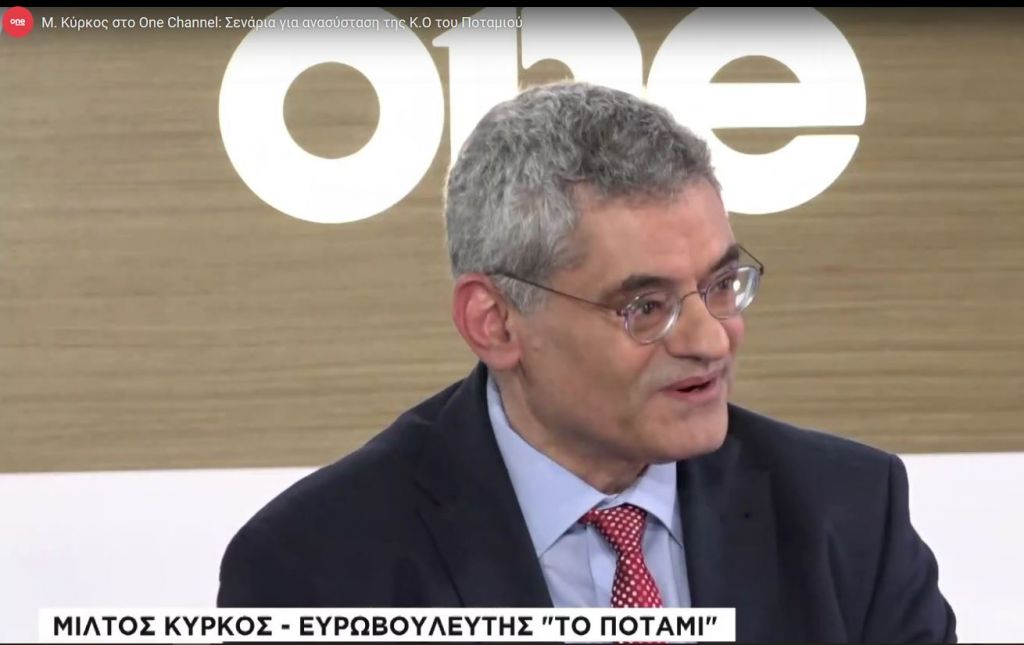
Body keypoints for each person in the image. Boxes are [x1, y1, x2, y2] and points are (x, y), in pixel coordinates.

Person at [217, 81, 956, 642]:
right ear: (495, 322)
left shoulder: (848, 512)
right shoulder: (316, 566)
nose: (710, 340)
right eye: (645, 306)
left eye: (721, 284)